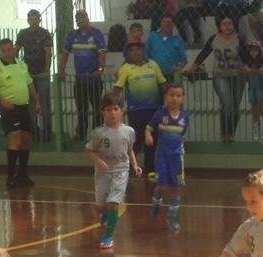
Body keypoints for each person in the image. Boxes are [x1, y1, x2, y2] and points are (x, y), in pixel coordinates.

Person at [85, 93, 142, 249]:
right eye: (109, 110)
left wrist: (134, 165)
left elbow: (129, 150)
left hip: (121, 171)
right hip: (103, 173)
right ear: (103, 112)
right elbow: (89, 151)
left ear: (122, 110)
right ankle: (104, 216)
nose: (113, 113)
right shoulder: (99, 133)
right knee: (100, 206)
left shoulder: (129, 131)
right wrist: (99, 161)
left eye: (116, 109)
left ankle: (108, 237)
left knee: (113, 203)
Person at [0, 38, 41, 187]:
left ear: (14, 50)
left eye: (10, 50)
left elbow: (29, 83)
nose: (7, 53)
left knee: (27, 139)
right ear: (0, 51)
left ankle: (23, 174)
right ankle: (11, 176)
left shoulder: (21, 64)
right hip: (9, 108)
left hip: (24, 107)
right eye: (4, 50)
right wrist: (2, 101)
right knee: (15, 138)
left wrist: (37, 101)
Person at [187, 15, 248, 143]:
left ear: (233, 25)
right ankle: (224, 133)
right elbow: (204, 52)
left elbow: (246, 57)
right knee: (227, 104)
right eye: (224, 24)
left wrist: (248, 68)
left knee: (235, 107)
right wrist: (193, 67)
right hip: (220, 76)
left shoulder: (239, 39)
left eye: (229, 23)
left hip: (238, 76)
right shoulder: (214, 38)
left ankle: (230, 133)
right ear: (219, 26)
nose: (227, 26)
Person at [114, 42, 167, 178]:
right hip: (136, 111)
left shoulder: (153, 65)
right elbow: (118, 89)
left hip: (154, 109)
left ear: (143, 51)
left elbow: (163, 84)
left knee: (151, 141)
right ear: (128, 54)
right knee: (135, 140)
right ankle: (124, 168)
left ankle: (150, 170)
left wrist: (167, 103)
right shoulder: (125, 68)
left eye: (139, 49)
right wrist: (114, 106)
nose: (136, 52)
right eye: (132, 50)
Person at [146, 84, 189, 232]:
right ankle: (156, 202)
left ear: (182, 98)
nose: (174, 98)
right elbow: (149, 128)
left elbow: (181, 134)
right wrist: (148, 136)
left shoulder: (185, 117)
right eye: (171, 95)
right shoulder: (160, 114)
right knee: (161, 185)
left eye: (178, 96)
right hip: (162, 156)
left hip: (177, 157)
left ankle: (172, 218)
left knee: (176, 187)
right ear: (166, 97)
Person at [60, 10, 107, 142]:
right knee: (81, 109)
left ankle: (97, 136)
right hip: (79, 79)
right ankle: (81, 136)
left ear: (87, 18)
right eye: (77, 18)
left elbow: (102, 53)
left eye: (82, 17)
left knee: (98, 108)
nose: (80, 20)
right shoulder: (72, 35)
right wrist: (62, 70)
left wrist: (100, 69)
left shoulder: (96, 33)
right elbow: (64, 53)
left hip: (94, 78)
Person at [15, 9, 53, 143]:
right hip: (28, 75)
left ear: (39, 19)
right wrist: (16, 69)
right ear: (27, 20)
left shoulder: (45, 34)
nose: (33, 21)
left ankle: (48, 136)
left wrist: (47, 71)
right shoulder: (23, 34)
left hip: (42, 75)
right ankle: (35, 136)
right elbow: (16, 51)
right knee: (30, 106)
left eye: (35, 18)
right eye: (30, 18)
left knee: (45, 105)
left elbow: (48, 53)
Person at [146, 14, 188, 82]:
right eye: (164, 22)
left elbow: (184, 60)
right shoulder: (152, 36)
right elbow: (146, 55)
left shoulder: (178, 39)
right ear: (160, 23)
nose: (167, 24)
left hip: (173, 76)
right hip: (155, 75)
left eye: (169, 22)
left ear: (173, 25)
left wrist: (178, 69)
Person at [243, 41, 263, 141]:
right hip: (252, 88)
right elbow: (245, 70)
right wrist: (254, 70)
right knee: (254, 110)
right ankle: (256, 132)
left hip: (261, 88)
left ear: (259, 50)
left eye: (255, 49)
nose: (253, 52)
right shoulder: (247, 61)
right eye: (251, 50)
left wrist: (253, 70)